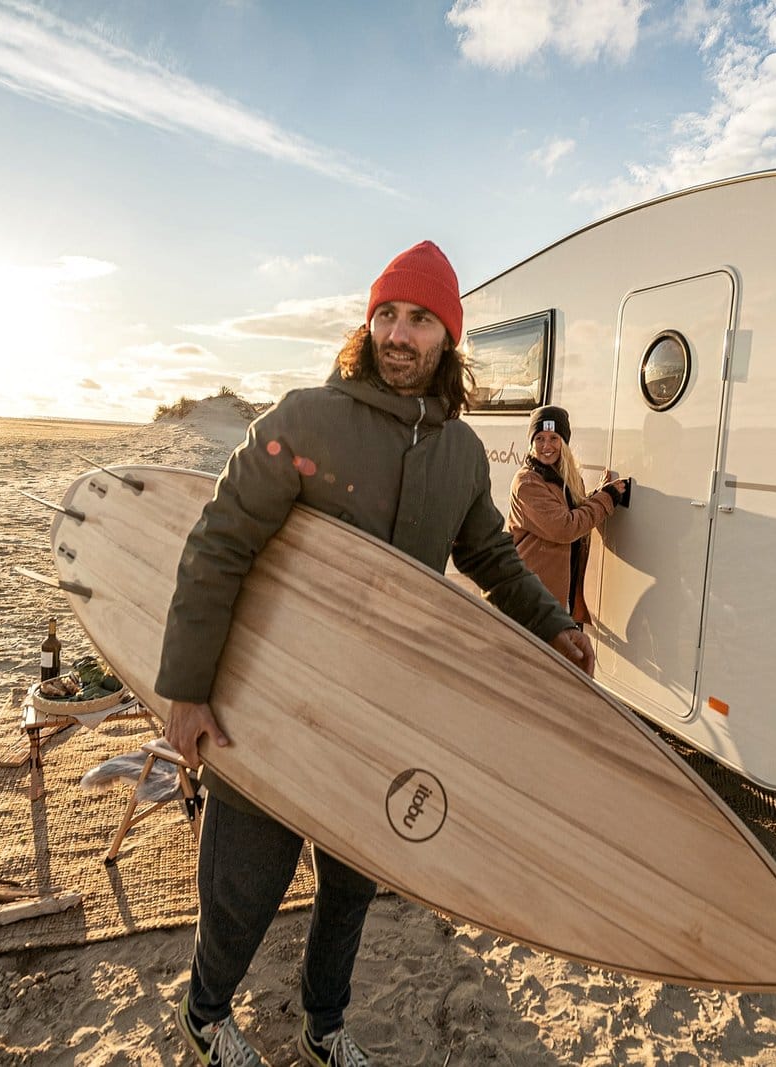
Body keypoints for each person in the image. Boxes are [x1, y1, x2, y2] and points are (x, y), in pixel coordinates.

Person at [156, 240, 595, 1067]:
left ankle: (324, 1026)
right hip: (272, 696)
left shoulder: (462, 452)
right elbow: (218, 545)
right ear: (367, 325)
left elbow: (490, 557)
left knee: (351, 885)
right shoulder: (304, 419)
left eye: (421, 319)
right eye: (387, 314)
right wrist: (187, 688)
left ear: (447, 339)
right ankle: (207, 1011)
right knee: (244, 884)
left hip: (384, 708)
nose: (400, 333)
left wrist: (552, 622)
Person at [507, 405, 629, 624]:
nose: (546, 446)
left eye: (554, 438)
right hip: (531, 594)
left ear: (564, 442)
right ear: (531, 442)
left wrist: (596, 495)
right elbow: (565, 527)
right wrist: (606, 499)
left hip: (555, 592)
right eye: (539, 438)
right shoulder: (527, 482)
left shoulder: (566, 478)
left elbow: (571, 510)